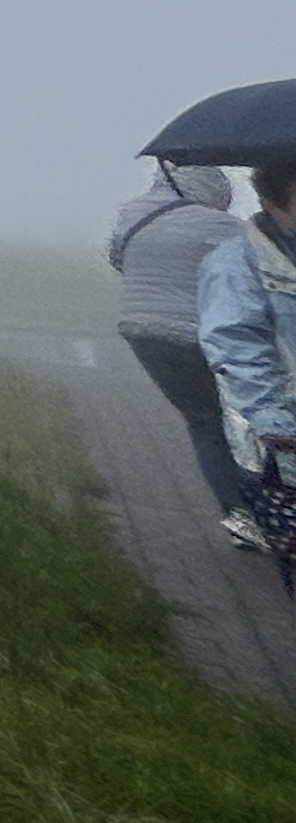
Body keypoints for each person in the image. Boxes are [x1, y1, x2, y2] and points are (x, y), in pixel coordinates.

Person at [110, 160, 257, 543]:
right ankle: (264, 507)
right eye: (224, 193)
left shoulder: (134, 213)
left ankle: (239, 518)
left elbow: (117, 258)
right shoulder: (219, 226)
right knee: (245, 422)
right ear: (208, 188)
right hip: (198, 335)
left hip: (141, 330)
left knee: (203, 423)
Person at [194, 155, 296, 597]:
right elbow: (238, 350)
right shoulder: (236, 265)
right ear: (271, 202)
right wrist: (279, 428)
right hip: (284, 449)